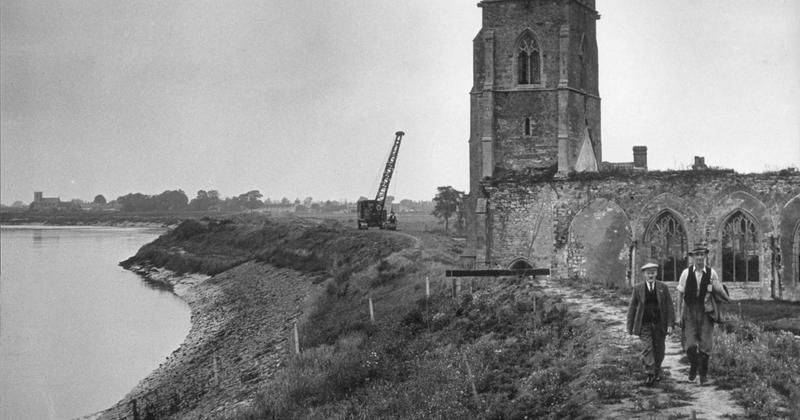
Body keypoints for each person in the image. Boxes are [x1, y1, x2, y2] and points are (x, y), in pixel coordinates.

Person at [676, 245, 730, 385]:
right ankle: (694, 366)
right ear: (692, 257)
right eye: (696, 255)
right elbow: (679, 295)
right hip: (690, 311)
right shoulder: (686, 273)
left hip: (706, 311)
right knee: (690, 345)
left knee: (706, 344)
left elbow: (714, 291)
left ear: (705, 256)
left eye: (702, 255)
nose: (699, 257)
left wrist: (711, 297)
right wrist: (678, 315)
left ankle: (703, 376)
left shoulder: (711, 273)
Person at [627, 262, 675, 386]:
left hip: (659, 324)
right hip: (644, 324)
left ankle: (657, 370)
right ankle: (650, 373)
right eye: (648, 273)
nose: (651, 275)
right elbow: (632, 308)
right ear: (644, 275)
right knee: (647, 348)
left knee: (660, 350)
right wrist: (630, 326)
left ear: (656, 273)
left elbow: (669, 306)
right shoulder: (638, 288)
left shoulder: (663, 287)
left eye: (653, 273)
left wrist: (670, 324)